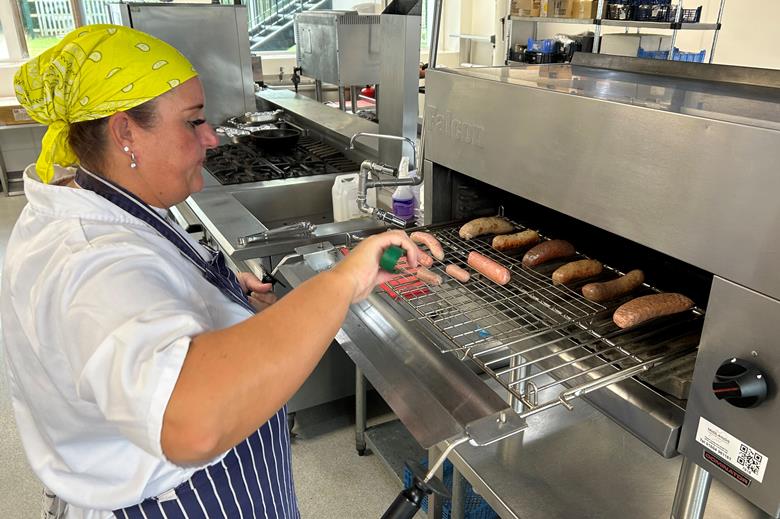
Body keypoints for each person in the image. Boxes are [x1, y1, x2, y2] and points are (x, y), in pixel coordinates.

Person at [1, 25, 419, 519]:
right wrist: (345, 277)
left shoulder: (92, 195)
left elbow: (141, 303)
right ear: (125, 132)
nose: (212, 136)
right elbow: (192, 424)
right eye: (193, 121)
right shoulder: (91, 261)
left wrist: (205, 298)